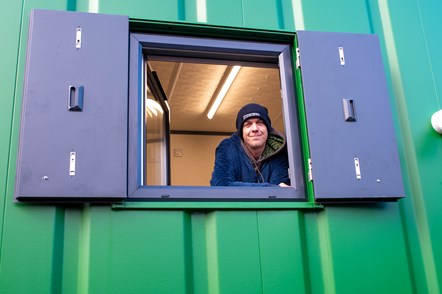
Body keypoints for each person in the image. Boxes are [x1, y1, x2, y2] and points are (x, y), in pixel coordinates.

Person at [210, 103, 290, 187]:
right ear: (241, 133)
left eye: (260, 123)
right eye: (248, 124)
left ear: (267, 129)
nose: (255, 129)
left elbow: (280, 193)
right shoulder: (227, 148)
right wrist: (271, 188)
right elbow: (221, 185)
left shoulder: (280, 150)